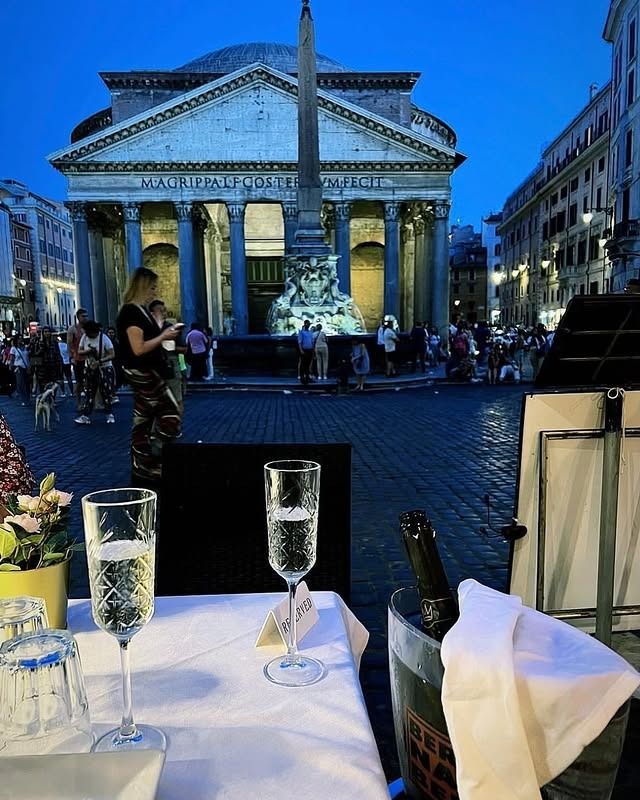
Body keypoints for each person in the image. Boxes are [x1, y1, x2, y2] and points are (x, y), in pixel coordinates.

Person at [116, 267, 181, 484]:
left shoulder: (140, 311)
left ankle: (144, 466)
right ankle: (151, 457)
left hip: (147, 371)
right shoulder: (131, 313)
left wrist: (161, 326)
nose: (155, 292)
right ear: (142, 286)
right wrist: (164, 335)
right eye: (152, 287)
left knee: (143, 420)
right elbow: (139, 348)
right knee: (170, 415)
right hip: (142, 372)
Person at [74, 320, 116, 425]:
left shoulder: (104, 338)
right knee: (89, 392)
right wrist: (89, 351)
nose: (88, 335)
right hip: (90, 368)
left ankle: (109, 414)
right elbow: (79, 351)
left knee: (106, 392)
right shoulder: (85, 337)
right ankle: (86, 415)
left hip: (104, 368)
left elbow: (112, 354)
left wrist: (100, 361)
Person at [150, 299, 185, 417]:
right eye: (160, 311)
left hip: (170, 365)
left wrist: (169, 346)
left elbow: (184, 349)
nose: (164, 314)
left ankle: (176, 427)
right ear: (152, 313)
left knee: (176, 399)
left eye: (164, 311)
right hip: (153, 369)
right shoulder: (147, 329)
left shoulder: (171, 328)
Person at [67, 308, 88, 408]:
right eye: (83, 316)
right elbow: (69, 344)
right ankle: (79, 402)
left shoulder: (88, 328)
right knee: (79, 382)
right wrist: (71, 357)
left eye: (86, 316)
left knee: (89, 381)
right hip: (78, 359)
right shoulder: (73, 329)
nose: (85, 318)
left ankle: (89, 401)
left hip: (88, 358)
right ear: (78, 317)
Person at [32, 326, 63, 393]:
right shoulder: (38, 343)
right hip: (42, 368)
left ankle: (52, 400)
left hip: (53, 367)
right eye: (45, 332)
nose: (47, 333)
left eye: (48, 331)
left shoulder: (54, 343)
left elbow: (57, 354)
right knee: (43, 387)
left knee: (53, 386)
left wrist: (59, 365)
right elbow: (35, 355)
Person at [9, 336, 30, 404]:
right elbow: (12, 358)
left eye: (21, 338)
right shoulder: (13, 349)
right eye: (19, 339)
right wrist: (11, 366)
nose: (20, 340)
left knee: (27, 383)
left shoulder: (25, 347)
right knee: (21, 384)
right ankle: (23, 399)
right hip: (18, 367)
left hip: (26, 367)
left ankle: (27, 398)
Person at [297, 319, 315, 385]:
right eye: (308, 324)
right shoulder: (301, 332)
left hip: (310, 350)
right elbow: (299, 342)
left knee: (308, 365)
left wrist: (313, 349)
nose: (309, 325)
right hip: (304, 350)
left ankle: (307, 378)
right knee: (303, 365)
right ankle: (302, 378)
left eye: (309, 324)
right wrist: (301, 350)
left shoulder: (310, 332)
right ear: (305, 324)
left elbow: (312, 341)